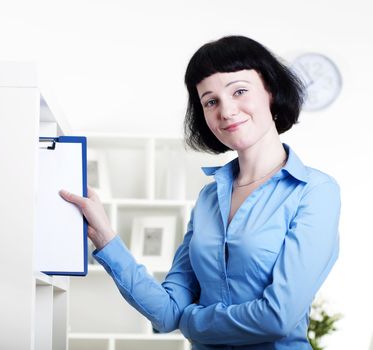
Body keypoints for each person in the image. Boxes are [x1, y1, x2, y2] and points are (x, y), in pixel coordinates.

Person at [60, 35, 341, 349]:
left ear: (271, 92)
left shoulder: (315, 191)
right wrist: (105, 237)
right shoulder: (209, 199)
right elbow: (167, 314)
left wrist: (191, 322)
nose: (226, 110)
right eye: (211, 101)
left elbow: (278, 317)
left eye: (240, 91)